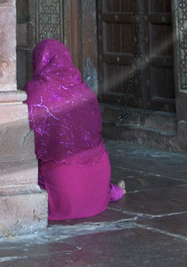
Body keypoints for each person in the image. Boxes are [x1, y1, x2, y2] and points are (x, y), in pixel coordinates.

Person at [23, 38, 126, 220]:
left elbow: (26, 141)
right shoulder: (84, 90)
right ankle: (111, 191)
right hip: (99, 176)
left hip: (65, 190)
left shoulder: (35, 93)